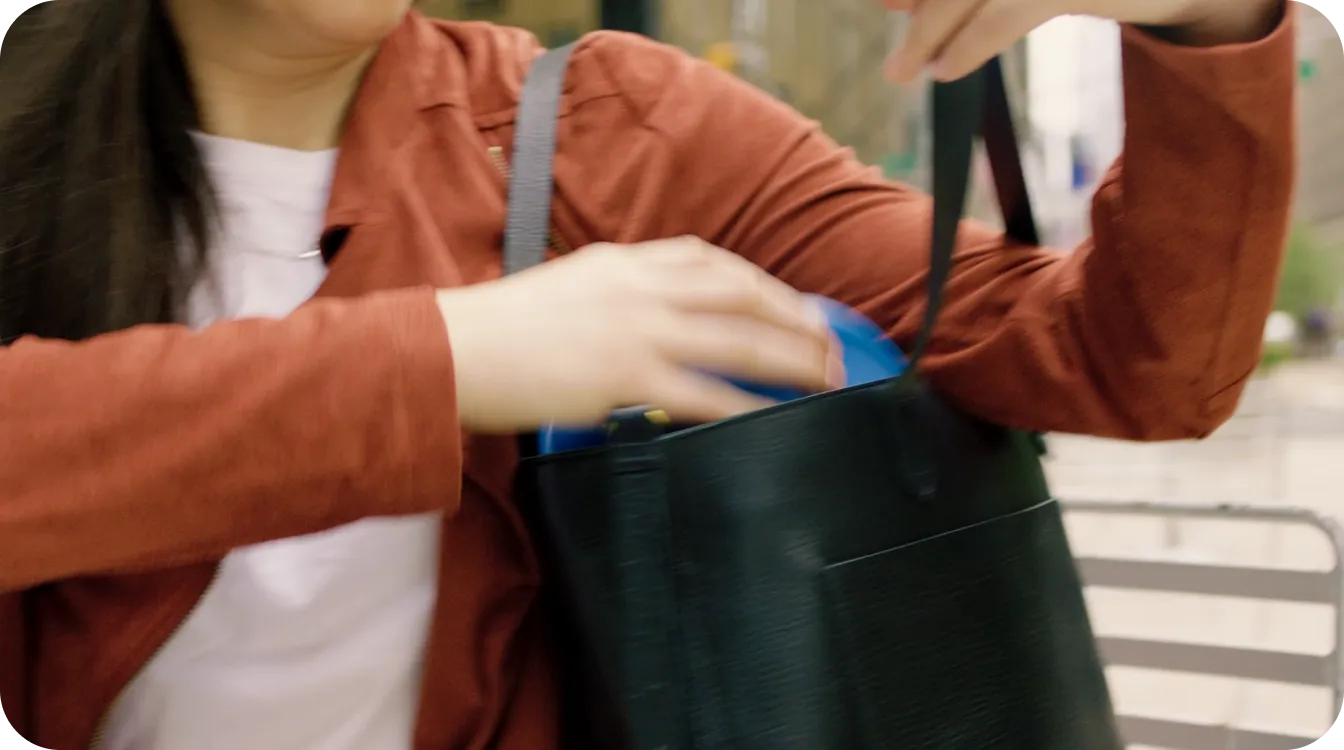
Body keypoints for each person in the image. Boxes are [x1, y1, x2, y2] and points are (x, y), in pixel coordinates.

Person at [0, 0, 1294, 748]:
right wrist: (452, 359)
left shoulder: (607, 127)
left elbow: (1132, 361)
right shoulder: (29, 136)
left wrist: (1198, 16)